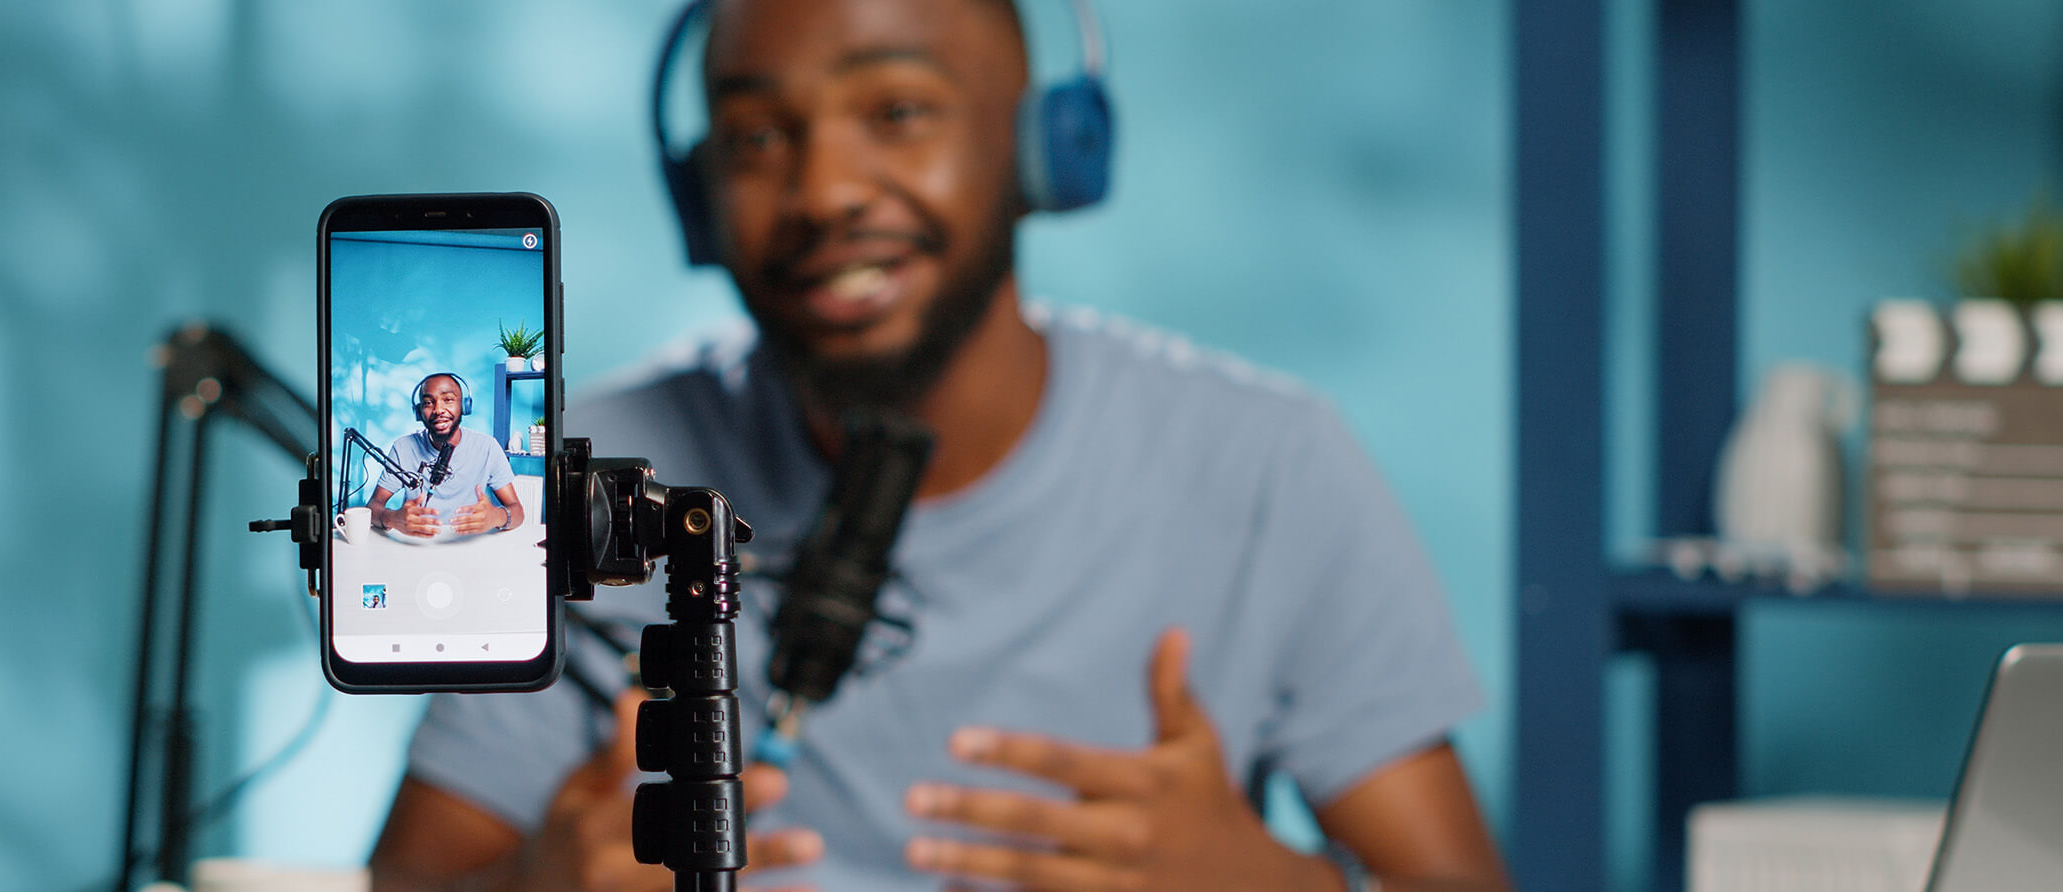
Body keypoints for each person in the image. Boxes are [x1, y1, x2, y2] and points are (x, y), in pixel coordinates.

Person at [371, 0, 1513, 889]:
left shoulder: (1270, 465)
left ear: (1045, 151)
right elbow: (405, 881)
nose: (822, 190)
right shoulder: (582, 471)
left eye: (897, 112)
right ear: (700, 196)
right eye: (758, 136)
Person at [368, 372, 523, 539]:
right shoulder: (403, 447)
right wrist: (393, 518)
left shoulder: (487, 447)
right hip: (417, 545)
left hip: (469, 545)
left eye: (448, 400)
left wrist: (496, 517)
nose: (438, 410)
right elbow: (372, 508)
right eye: (428, 402)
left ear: (464, 406)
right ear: (419, 412)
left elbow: (517, 512)